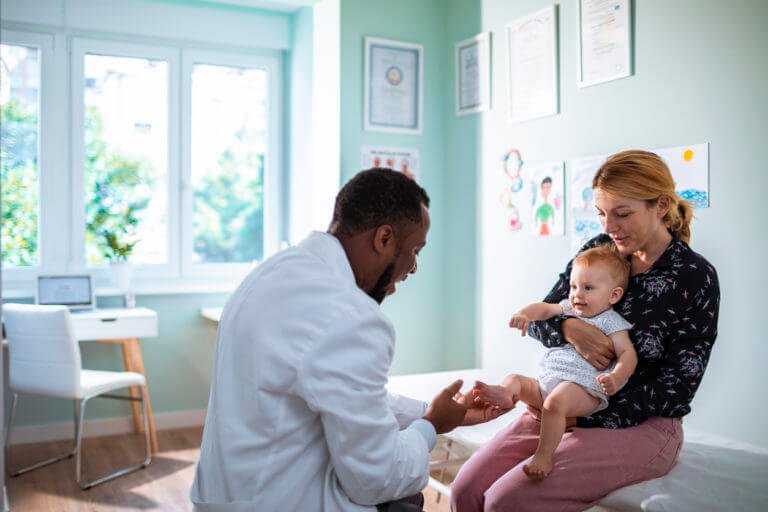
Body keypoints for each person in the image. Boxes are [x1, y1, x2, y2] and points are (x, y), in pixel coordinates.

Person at [190, 168, 506, 512]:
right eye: (415, 250)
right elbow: (377, 478)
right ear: (384, 239)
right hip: (280, 500)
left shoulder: (271, 273)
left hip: (224, 496)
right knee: (406, 498)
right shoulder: (352, 317)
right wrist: (430, 426)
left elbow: (339, 394)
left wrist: (433, 411)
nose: (413, 267)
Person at [451, 150, 720, 512]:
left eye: (622, 213)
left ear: (661, 206)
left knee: (506, 501)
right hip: (560, 405)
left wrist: (588, 412)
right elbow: (542, 316)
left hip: (639, 423)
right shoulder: (599, 249)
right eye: (602, 213)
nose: (609, 226)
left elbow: (679, 384)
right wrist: (570, 327)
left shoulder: (694, 276)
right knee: (465, 490)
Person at [473, 244, 637, 479]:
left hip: (583, 388)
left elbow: (628, 354)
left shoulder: (612, 322)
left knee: (554, 405)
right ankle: (505, 393)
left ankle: (544, 456)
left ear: (614, 295)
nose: (577, 293)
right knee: (515, 379)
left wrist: (617, 377)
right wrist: (525, 314)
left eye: (588, 288)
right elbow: (544, 308)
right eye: (573, 286)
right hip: (547, 383)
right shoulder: (569, 307)